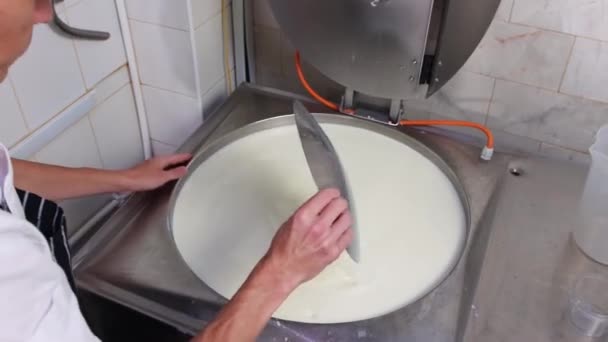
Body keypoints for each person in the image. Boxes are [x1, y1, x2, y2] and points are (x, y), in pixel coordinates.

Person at [0, 0, 354, 341]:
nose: (45, 13)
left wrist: (123, 180)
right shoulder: (12, 273)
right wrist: (281, 272)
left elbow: (5, 173)